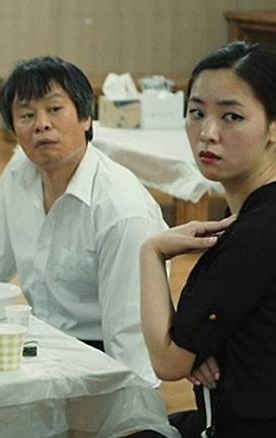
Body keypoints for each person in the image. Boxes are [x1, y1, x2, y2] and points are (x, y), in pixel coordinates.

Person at [0, 56, 167, 386]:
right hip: (38, 341)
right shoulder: (19, 172)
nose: (41, 125)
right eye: (26, 115)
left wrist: (129, 405)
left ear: (86, 117)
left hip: (99, 355)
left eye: (54, 109)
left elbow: (129, 337)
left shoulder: (121, 208)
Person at [140, 41, 276, 437]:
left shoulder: (256, 233)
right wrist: (203, 344)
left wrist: (152, 252)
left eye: (232, 116)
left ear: (273, 127)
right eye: (197, 113)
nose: (207, 133)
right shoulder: (253, 218)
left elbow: (168, 362)